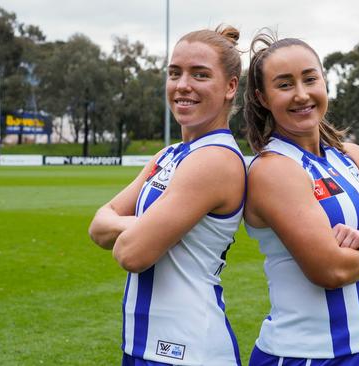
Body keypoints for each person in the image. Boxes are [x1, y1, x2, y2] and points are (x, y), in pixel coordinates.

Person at [243, 31, 359, 365]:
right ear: (262, 98)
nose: (302, 95)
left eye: (310, 79)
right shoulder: (273, 170)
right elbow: (330, 270)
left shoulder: (353, 158)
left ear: (324, 81)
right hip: (301, 356)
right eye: (284, 85)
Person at [88, 25, 246, 366]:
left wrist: (134, 230)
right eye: (175, 73)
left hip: (188, 351)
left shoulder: (215, 159)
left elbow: (131, 254)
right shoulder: (169, 155)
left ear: (230, 87)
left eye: (200, 75)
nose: (183, 85)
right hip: (145, 347)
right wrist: (147, 225)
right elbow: (97, 226)